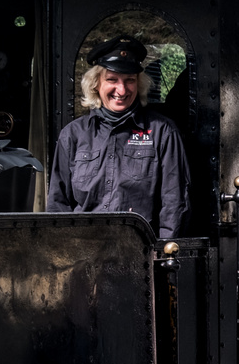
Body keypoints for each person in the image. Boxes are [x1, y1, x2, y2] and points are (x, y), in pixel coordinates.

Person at [47, 37, 189, 239]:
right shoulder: (73, 134)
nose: (121, 90)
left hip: (139, 254)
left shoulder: (162, 132)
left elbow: (175, 203)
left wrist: (161, 256)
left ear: (138, 83)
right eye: (112, 80)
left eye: (129, 80)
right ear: (96, 84)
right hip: (83, 253)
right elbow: (57, 204)